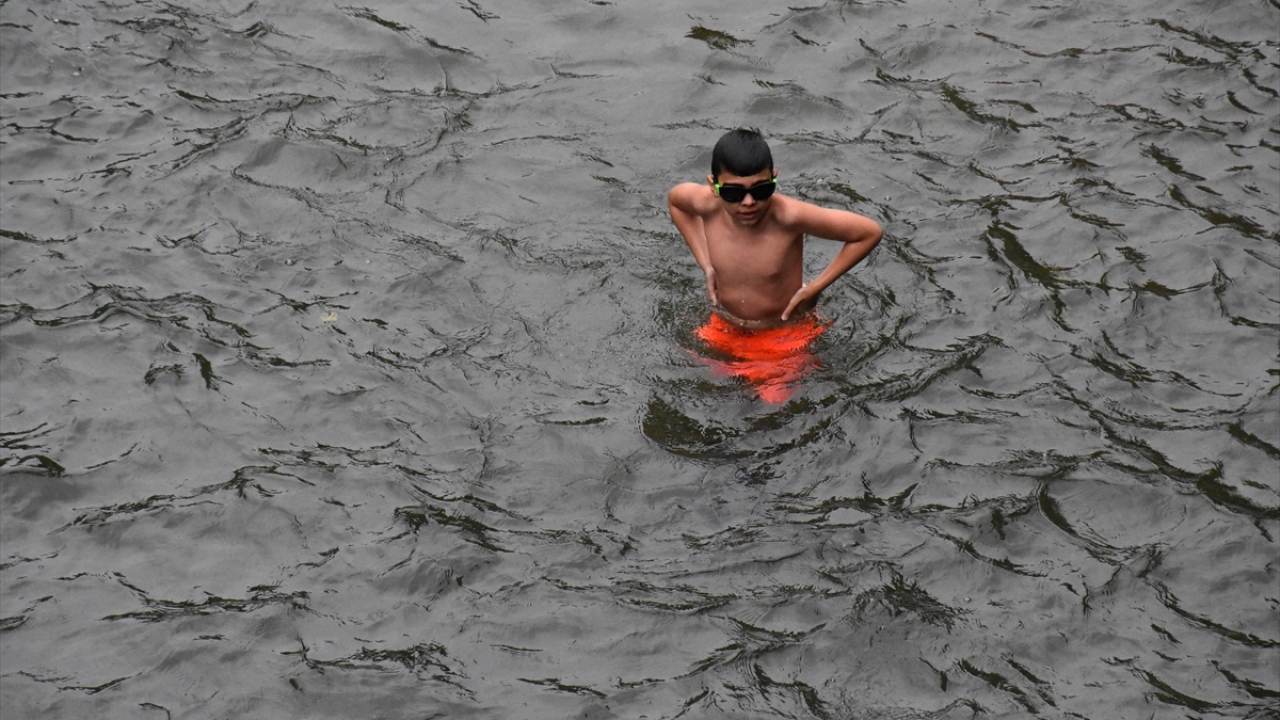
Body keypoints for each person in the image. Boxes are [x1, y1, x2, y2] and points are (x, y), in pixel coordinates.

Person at [667, 128, 883, 403]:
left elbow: (868, 232)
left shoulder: (788, 217)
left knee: (771, 411)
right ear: (713, 186)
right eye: (733, 192)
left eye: (761, 190)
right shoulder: (707, 206)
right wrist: (707, 264)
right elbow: (676, 201)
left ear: (774, 178)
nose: (748, 202)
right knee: (698, 393)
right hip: (725, 325)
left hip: (781, 334)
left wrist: (814, 288)